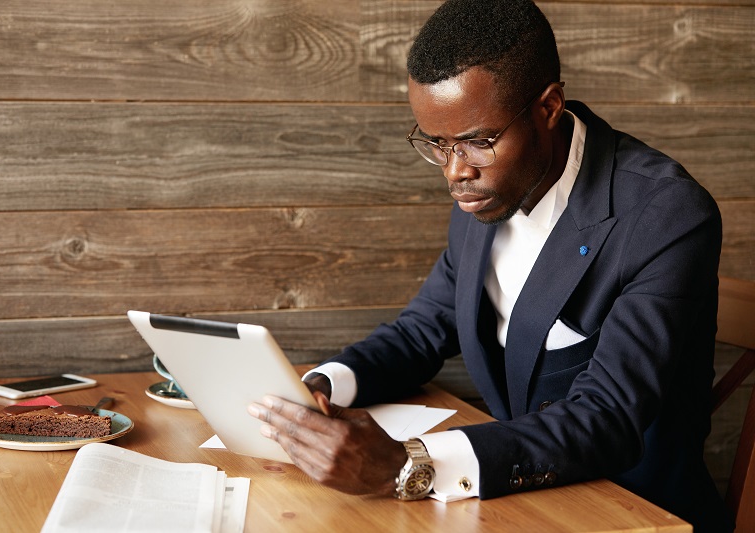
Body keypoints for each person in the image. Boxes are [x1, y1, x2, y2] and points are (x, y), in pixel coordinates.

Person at [247, 0, 732, 530]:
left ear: (548, 108)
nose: (454, 173)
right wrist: (318, 389)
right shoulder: (484, 189)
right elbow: (422, 331)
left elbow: (607, 418)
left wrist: (410, 464)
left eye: (478, 142)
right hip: (511, 498)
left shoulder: (666, 215)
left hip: (632, 510)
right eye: (437, 143)